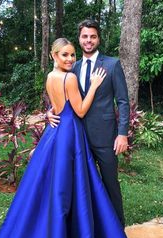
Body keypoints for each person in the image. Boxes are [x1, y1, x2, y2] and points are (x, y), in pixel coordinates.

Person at [0, 38, 132, 238]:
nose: (69, 59)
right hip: (69, 135)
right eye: (64, 55)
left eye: (72, 55)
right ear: (54, 55)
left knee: (49, 188)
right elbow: (81, 110)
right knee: (69, 189)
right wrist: (95, 85)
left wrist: (49, 114)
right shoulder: (69, 78)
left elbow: (55, 107)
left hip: (54, 134)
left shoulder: (50, 77)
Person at [48, 19, 130, 227]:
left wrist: (122, 134)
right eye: (85, 36)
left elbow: (122, 101)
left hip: (105, 137)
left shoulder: (112, 65)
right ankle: (92, 229)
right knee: (83, 186)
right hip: (78, 137)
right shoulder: (70, 66)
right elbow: (64, 97)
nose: (88, 40)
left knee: (110, 183)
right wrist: (49, 112)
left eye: (92, 36)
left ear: (98, 39)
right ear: (79, 38)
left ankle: (118, 228)